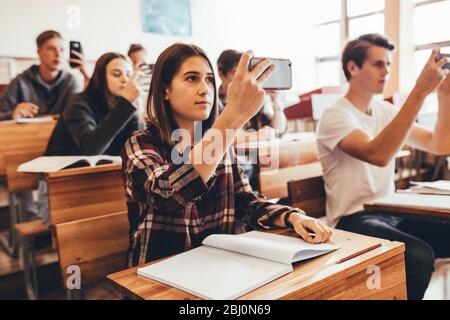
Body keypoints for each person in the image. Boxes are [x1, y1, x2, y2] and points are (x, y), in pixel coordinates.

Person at [121, 43, 333, 266]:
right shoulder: (139, 143)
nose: (205, 89)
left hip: (217, 267)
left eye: (209, 79)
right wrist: (232, 115)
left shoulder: (219, 144)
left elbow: (246, 201)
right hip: (157, 273)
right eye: (192, 78)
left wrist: (292, 217)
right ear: (165, 90)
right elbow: (167, 194)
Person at [316, 33, 450, 300]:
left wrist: (444, 95)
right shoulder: (335, 115)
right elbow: (378, 154)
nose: (386, 71)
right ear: (352, 68)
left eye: (388, 64)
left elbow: (439, 144)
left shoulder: (384, 111)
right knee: (418, 257)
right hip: (351, 219)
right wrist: (420, 90)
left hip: (389, 211)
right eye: (378, 64)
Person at [38, 52, 143, 222]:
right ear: (101, 77)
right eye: (117, 74)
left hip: (100, 184)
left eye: (129, 74)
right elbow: (91, 149)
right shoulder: (78, 103)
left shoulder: (125, 108)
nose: (125, 79)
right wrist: (126, 104)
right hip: (60, 188)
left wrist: (136, 108)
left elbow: (136, 149)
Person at [0, 30, 86, 120]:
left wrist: (85, 74)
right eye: (51, 49)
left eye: (62, 50)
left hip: (59, 133)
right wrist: (13, 114)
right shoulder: (21, 81)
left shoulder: (71, 81)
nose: (58, 54)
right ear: (39, 52)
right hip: (29, 133)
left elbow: (79, 114)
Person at [217, 49, 288, 140]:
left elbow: (279, 130)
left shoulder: (253, 98)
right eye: (236, 72)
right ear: (221, 75)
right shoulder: (215, 103)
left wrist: (276, 103)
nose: (243, 77)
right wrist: (260, 135)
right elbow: (224, 138)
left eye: (246, 72)